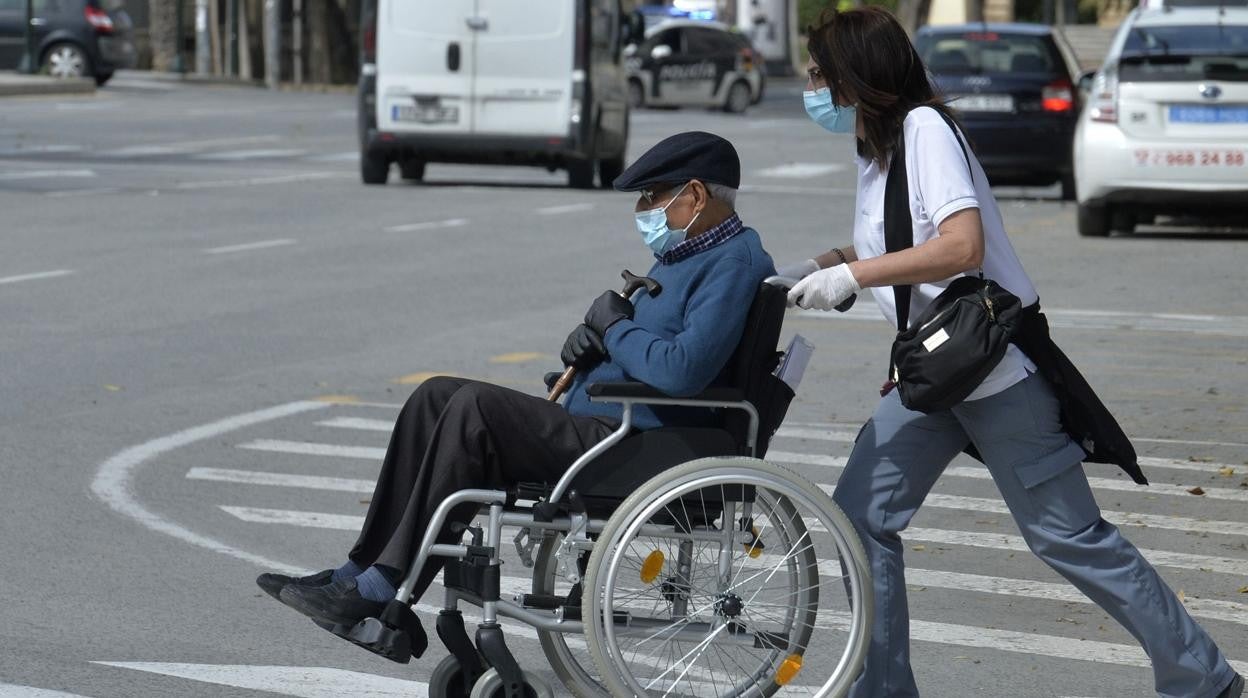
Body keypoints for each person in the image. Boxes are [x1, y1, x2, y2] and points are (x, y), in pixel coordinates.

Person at [775, 7, 1243, 698]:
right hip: (934, 376)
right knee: (860, 517)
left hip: (993, 373)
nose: (812, 85)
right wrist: (824, 265)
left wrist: (855, 276)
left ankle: (1205, 680)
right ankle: (883, 690)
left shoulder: (926, 130)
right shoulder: (879, 151)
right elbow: (894, 245)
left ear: (856, 76)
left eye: (820, 73)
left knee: (1068, 537)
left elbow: (961, 247)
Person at [255, 131, 776, 644]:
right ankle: (357, 571)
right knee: (434, 396)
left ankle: (381, 588)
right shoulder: (687, 254)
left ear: (696, 194)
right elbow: (652, 345)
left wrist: (616, 329)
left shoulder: (733, 262)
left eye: (652, 195)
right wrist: (596, 348)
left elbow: (683, 369)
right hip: (609, 423)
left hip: (639, 443)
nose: (642, 208)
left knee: (474, 411)